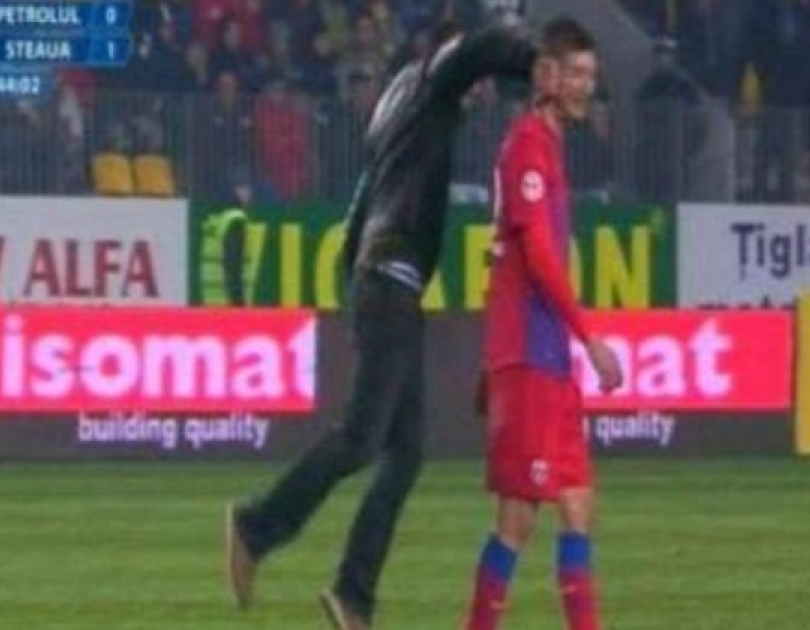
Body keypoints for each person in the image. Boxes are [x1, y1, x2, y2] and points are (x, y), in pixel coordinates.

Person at [224, 19, 539, 630]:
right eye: (474, 84)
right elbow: (479, 49)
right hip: (392, 275)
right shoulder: (433, 81)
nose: (478, 93)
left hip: (383, 280)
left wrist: (356, 289)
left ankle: (353, 594)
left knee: (406, 452)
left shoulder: (392, 108)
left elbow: (359, 208)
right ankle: (256, 527)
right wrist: (535, 63)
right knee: (362, 438)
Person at [462, 17, 623, 630]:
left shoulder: (546, 146)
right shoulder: (527, 145)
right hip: (533, 352)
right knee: (519, 517)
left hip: (547, 354)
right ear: (546, 75)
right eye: (574, 73)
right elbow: (535, 257)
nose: (585, 86)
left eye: (590, 75)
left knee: (577, 505)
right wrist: (590, 338)